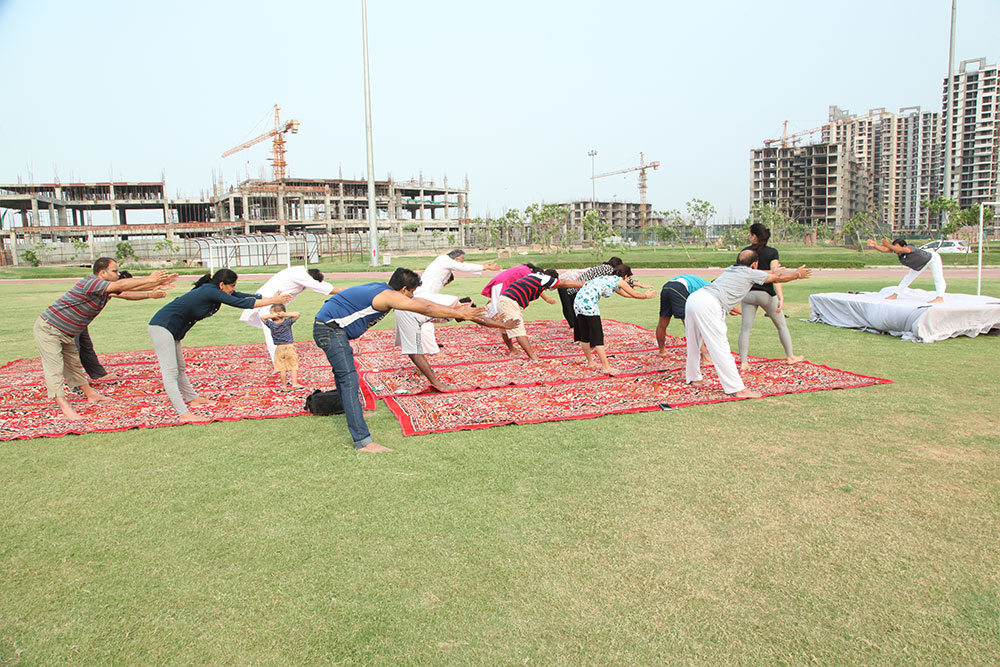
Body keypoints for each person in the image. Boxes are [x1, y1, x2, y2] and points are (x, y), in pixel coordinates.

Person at [313, 267, 484, 453]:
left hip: (332, 329)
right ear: (403, 290)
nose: (412, 296)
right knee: (348, 379)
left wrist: (452, 309)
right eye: (411, 292)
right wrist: (461, 314)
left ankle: (351, 411)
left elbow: (422, 302)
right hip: (329, 330)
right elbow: (426, 308)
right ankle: (363, 441)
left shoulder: (383, 289)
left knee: (343, 376)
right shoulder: (388, 296)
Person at [34, 258, 178, 420]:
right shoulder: (91, 283)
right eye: (114, 271)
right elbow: (121, 285)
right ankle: (64, 408)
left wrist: (153, 288)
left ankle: (91, 395)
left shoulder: (104, 288)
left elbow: (125, 292)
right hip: (49, 329)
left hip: (67, 332)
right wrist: (150, 279)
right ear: (102, 273)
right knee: (54, 368)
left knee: (74, 365)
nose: (118, 274)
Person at [148, 269, 292, 423]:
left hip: (173, 330)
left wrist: (272, 298)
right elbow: (242, 303)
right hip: (162, 327)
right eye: (232, 286)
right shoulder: (210, 291)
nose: (234, 289)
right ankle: (183, 413)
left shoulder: (216, 290)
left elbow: (242, 296)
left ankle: (192, 398)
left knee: (180, 368)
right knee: (170, 372)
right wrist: (273, 301)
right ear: (222, 285)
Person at [684, 250, 812, 399]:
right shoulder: (750, 273)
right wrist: (797, 274)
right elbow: (776, 278)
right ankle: (737, 388)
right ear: (755, 264)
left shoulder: (732, 269)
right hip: (709, 303)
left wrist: (774, 271)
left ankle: (694, 377)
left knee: (694, 342)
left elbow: (764, 273)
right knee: (720, 347)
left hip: (694, 298)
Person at [395, 291, 520, 391]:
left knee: (414, 348)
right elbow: (480, 320)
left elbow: (479, 319)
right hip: (410, 314)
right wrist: (503, 325)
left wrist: (495, 322)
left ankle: (423, 370)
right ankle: (436, 382)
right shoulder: (456, 305)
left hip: (413, 315)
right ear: (465, 306)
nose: (464, 320)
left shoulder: (457, 306)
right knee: (415, 350)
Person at [73, 270, 170, 383]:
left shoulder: (110, 286)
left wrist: (157, 285)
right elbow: (126, 294)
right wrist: (150, 292)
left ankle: (98, 374)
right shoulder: (102, 286)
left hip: (81, 321)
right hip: (70, 320)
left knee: (86, 347)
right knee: (73, 351)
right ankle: (75, 382)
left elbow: (130, 289)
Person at [737, 223, 803, 371]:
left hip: (748, 294)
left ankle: (744, 362)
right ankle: (790, 356)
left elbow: (740, 275)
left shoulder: (745, 253)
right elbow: (776, 275)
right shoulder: (772, 252)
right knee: (781, 326)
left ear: (754, 236)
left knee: (745, 328)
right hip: (766, 294)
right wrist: (781, 297)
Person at [240, 266, 339, 360]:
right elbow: (319, 286)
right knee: (272, 332)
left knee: (278, 331)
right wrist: (342, 292)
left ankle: (281, 357)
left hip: (274, 305)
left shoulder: (299, 272)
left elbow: (320, 284)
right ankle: (278, 361)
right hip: (267, 304)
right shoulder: (300, 275)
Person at [573, 264, 656, 375]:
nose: (629, 281)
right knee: (598, 336)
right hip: (589, 304)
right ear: (625, 276)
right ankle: (606, 367)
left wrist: (641, 295)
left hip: (578, 302)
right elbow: (635, 293)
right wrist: (646, 296)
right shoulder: (619, 281)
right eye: (629, 278)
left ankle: (590, 362)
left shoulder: (608, 278)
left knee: (585, 335)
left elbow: (626, 294)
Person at [497, 269, 583, 360]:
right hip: (511, 302)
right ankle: (532, 356)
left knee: (505, 328)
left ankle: (512, 350)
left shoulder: (534, 276)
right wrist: (580, 284)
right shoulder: (546, 279)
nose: (547, 289)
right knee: (519, 330)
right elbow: (563, 284)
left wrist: (546, 299)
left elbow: (538, 288)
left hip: (503, 299)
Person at [557, 257, 652, 329]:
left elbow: (623, 285)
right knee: (582, 317)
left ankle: (579, 336)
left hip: (577, 290)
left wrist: (637, 285)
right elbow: (623, 282)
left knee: (578, 315)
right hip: (577, 290)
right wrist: (641, 289)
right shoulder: (609, 270)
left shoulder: (605, 270)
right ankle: (578, 331)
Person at [866, 237, 947, 303]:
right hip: (919, 265)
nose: (896, 251)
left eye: (897, 247)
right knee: (907, 278)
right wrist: (875, 246)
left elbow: (901, 250)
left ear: (904, 246)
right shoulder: (898, 251)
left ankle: (939, 298)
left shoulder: (910, 248)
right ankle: (895, 295)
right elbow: (885, 250)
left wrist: (888, 244)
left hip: (932, 259)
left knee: (938, 278)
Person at [655, 273, 712, 359]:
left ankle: (662, 351)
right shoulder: (708, 288)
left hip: (666, 287)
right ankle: (706, 357)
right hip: (678, 288)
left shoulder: (699, 282)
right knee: (690, 324)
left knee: (663, 322)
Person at [414, 249, 501, 298]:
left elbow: (464, 266)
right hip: (425, 291)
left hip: (430, 290)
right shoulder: (444, 260)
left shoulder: (446, 261)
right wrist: (486, 267)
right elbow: (463, 267)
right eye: (461, 261)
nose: (462, 263)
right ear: (456, 259)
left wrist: (485, 267)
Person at [481, 263, 552, 316]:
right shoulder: (527, 272)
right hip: (501, 283)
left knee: (497, 303)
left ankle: (485, 313)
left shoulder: (524, 268)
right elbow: (534, 284)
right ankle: (488, 317)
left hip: (502, 283)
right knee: (498, 306)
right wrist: (546, 298)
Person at [261, 304, 303, 391]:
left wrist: (273, 315)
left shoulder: (271, 324)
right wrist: (284, 314)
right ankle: (294, 383)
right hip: (289, 347)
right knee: (293, 366)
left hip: (279, 348)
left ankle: (284, 386)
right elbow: (297, 314)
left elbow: (262, 318)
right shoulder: (287, 322)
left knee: (281, 368)